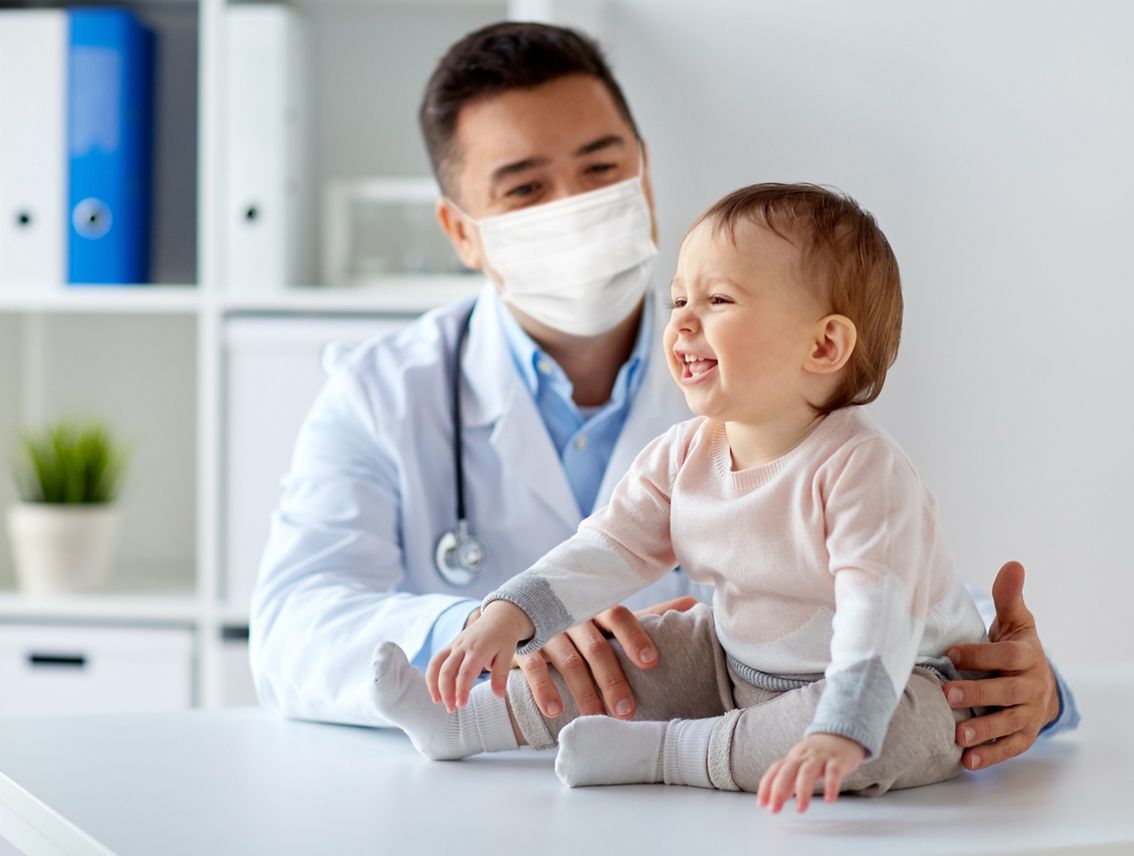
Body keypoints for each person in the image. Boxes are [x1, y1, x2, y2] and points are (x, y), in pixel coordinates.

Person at [250, 22, 1078, 772]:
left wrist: (1030, 686)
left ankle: (674, 752)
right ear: (462, 230)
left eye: (602, 168)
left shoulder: (777, 379)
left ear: (643, 180)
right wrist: (490, 633)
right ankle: (467, 721)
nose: (575, 205)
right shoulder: (379, 390)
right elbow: (293, 624)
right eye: (526, 188)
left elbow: (885, 582)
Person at [374, 182, 992, 812]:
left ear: (824, 345)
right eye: (677, 299)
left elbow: (877, 613)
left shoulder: (862, 469)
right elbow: (609, 547)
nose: (682, 322)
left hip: (896, 681)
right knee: (643, 653)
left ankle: (664, 753)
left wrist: (840, 727)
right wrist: (510, 613)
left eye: (718, 299)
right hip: (737, 664)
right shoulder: (684, 453)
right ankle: (462, 724)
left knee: (883, 733)